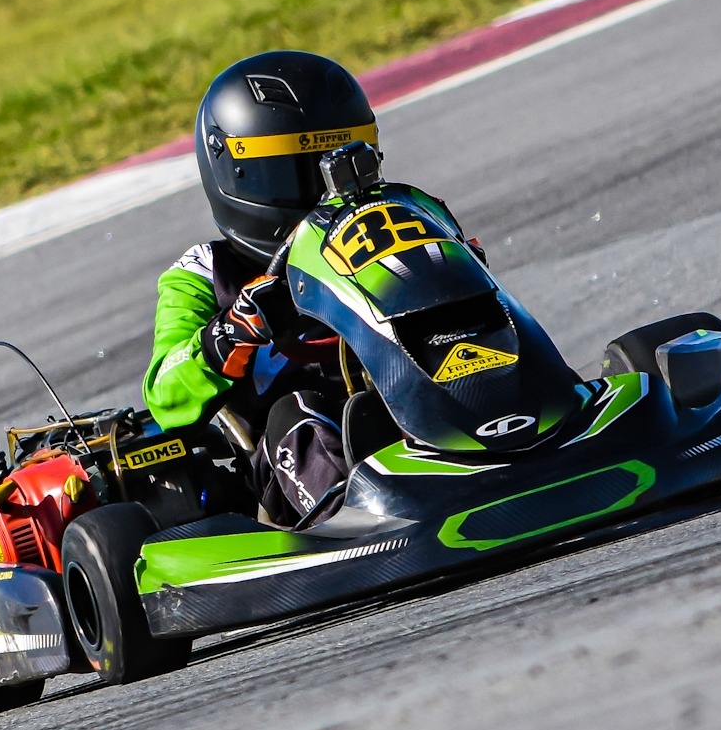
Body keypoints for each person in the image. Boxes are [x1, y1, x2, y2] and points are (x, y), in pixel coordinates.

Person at [141, 50, 473, 525]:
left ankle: (551, 422)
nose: (328, 192)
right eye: (303, 172)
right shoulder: (204, 273)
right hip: (301, 454)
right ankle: (351, 517)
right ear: (241, 174)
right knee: (297, 411)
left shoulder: (402, 219)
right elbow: (164, 391)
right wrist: (231, 332)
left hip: (421, 393)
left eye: (342, 164)